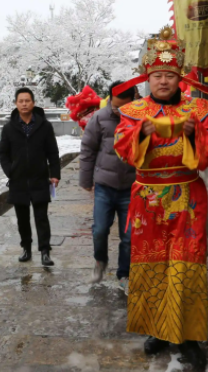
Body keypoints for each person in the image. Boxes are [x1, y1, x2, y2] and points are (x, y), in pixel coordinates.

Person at [113, 27, 208, 370]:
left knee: (186, 266)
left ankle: (189, 337)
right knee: (151, 264)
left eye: (169, 75)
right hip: (148, 201)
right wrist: (139, 135)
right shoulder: (132, 112)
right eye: (157, 75)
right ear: (148, 77)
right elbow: (122, 150)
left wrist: (196, 136)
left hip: (188, 199)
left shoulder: (199, 109)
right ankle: (157, 330)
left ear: (180, 79)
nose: (163, 81)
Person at [79, 81, 137, 289]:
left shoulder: (141, 117)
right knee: (100, 230)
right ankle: (100, 261)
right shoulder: (100, 118)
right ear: (110, 99)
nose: (119, 111)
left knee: (129, 235)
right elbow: (88, 149)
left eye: (124, 107)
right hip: (105, 185)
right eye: (115, 107)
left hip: (132, 187)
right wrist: (86, 180)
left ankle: (124, 274)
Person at [0, 87, 60, 267]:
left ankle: (45, 251)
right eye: (21, 101)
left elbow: (53, 152)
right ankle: (26, 248)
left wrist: (55, 173)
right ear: (16, 104)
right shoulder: (9, 128)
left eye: (27, 100)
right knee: (22, 218)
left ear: (33, 103)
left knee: (42, 217)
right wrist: (10, 170)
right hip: (18, 181)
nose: (24, 104)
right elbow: (2, 153)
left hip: (40, 178)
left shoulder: (44, 126)